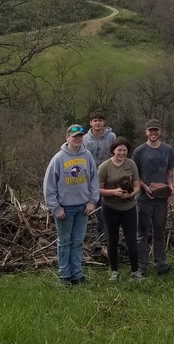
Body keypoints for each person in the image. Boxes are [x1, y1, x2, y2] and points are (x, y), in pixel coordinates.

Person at [43, 123, 99, 286]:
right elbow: (49, 186)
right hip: (64, 209)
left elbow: (94, 180)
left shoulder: (87, 156)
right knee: (64, 241)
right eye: (74, 136)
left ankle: (77, 274)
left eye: (80, 136)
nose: (78, 139)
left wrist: (92, 201)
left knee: (78, 242)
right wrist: (56, 207)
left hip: (82, 207)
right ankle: (64, 275)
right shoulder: (59, 158)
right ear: (67, 138)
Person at [132, 118, 174, 277]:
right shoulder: (139, 151)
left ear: (160, 132)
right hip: (144, 199)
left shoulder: (168, 149)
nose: (154, 133)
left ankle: (161, 263)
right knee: (142, 233)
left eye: (156, 130)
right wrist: (144, 187)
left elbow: (169, 171)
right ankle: (141, 266)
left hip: (161, 200)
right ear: (146, 132)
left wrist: (170, 185)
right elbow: (135, 175)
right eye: (151, 130)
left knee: (159, 231)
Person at [97, 137, 142, 282]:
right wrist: (114, 192)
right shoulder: (104, 167)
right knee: (112, 239)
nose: (122, 153)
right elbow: (98, 190)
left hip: (129, 207)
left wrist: (131, 194)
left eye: (125, 150)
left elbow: (137, 185)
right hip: (110, 208)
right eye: (119, 150)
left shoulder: (131, 164)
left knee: (132, 240)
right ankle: (114, 272)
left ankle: (135, 272)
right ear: (113, 151)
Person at [82, 111, 117, 251]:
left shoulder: (111, 137)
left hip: (106, 178)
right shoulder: (84, 139)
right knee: (86, 208)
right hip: (88, 179)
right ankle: (83, 238)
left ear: (104, 122)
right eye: (95, 120)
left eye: (100, 120)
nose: (97, 123)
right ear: (90, 123)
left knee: (103, 209)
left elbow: (115, 154)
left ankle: (102, 238)